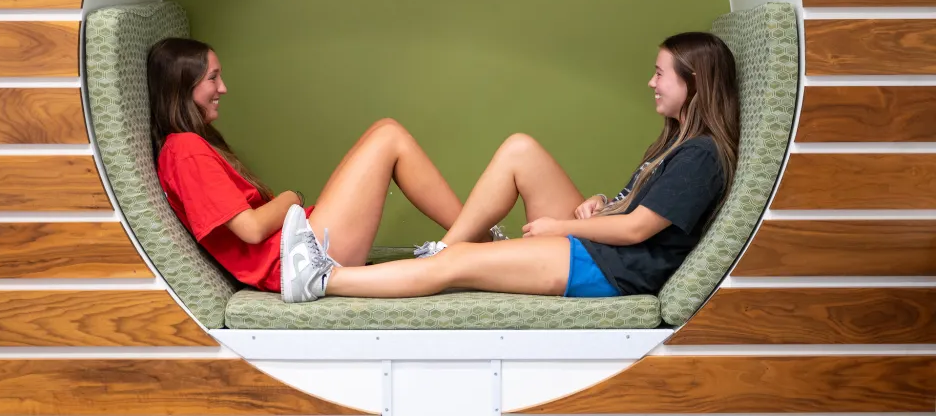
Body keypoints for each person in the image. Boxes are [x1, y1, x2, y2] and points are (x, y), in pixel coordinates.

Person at [280, 31, 740, 303]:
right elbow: (638, 210)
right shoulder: (676, 141)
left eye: (660, 73)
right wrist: (602, 203)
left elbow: (639, 229)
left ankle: (322, 279)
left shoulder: (701, 155)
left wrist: (560, 227)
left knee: (458, 264)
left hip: (613, 269)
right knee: (521, 150)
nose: (651, 82)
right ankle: (446, 247)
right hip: (605, 247)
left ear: (695, 83)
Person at [147, 37, 503, 294]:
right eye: (213, 77)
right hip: (296, 261)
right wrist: (292, 198)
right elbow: (251, 230)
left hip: (296, 248)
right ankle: (481, 241)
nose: (223, 88)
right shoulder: (185, 150)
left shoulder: (187, 148)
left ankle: (477, 240)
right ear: (184, 86)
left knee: (385, 130)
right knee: (389, 136)